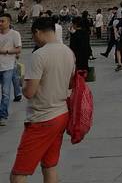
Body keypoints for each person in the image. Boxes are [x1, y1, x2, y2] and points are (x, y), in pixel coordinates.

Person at [10, 16, 75, 183]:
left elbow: (29, 92)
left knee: (18, 173)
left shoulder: (39, 55)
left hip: (42, 118)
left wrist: (22, 83)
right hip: (61, 114)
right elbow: (70, 83)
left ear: (37, 32)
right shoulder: (68, 52)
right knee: (49, 165)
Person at [1, 13, 22, 126]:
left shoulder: (15, 34)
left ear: (9, 22)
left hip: (8, 67)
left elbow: (18, 49)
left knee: (5, 93)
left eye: (2, 21)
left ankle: (2, 115)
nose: (0, 23)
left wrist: (5, 51)